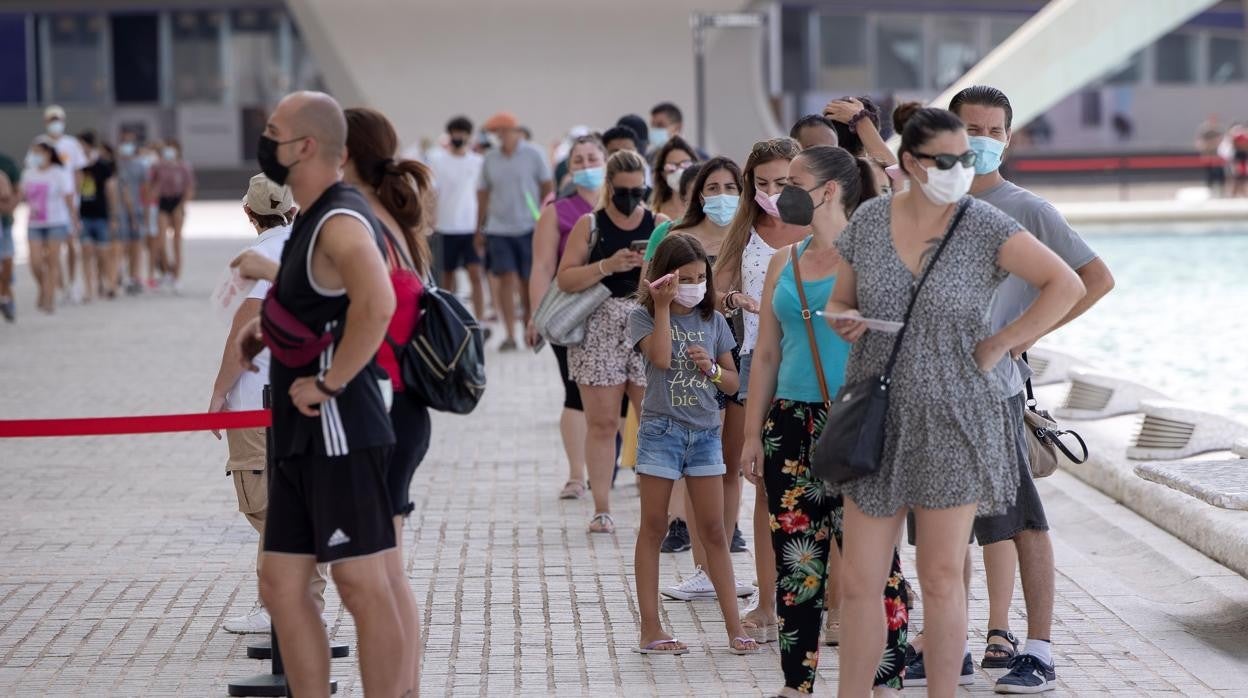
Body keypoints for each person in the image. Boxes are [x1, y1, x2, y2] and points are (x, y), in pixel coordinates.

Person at [825, 107, 1084, 698]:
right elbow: (841, 299)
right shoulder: (868, 220)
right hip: (878, 414)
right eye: (947, 160)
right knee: (862, 579)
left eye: (965, 158)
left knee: (941, 576)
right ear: (911, 163)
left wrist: (1004, 341)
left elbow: (1067, 283)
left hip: (955, 419)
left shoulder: (985, 224)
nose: (960, 169)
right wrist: (843, 320)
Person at [234, 91, 407, 697]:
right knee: (281, 587)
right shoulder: (309, 218)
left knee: (363, 586)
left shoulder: (338, 217)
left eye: (274, 130)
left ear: (305, 146)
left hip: (340, 428)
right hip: (296, 435)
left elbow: (377, 301)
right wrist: (267, 331)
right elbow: (322, 302)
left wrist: (331, 381)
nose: (265, 137)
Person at [946, 85, 1114, 694]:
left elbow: (1093, 279)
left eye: (994, 131)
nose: (983, 140)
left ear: (1009, 139)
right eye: (972, 128)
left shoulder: (1029, 209)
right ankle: (946, 646)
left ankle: (1038, 649)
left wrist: (1021, 336)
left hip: (995, 391)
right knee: (944, 524)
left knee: (1019, 519)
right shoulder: (926, 205)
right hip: (933, 395)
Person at [739, 145, 907, 697]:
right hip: (789, 423)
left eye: (793, 181)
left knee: (872, 564)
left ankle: (885, 674)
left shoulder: (877, 256)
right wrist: (750, 435)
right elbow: (766, 352)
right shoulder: (784, 262)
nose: (781, 192)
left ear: (828, 190)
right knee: (797, 558)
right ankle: (796, 683)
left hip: (856, 418)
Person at [628, 233, 758, 657]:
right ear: (662, 277)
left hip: (705, 434)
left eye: (700, 276)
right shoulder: (644, 317)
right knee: (653, 527)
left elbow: (734, 381)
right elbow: (661, 359)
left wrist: (713, 373)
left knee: (715, 530)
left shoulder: (715, 321)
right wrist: (663, 307)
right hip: (661, 432)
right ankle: (651, 628)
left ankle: (734, 628)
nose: (694, 284)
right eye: (684, 277)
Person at [209, 173, 329, 635]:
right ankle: (301, 602)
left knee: (268, 506)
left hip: (260, 402)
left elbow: (247, 330)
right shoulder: (311, 248)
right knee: (297, 502)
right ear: (295, 209)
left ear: (248, 213)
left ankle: (280, 603)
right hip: (310, 397)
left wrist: (218, 393)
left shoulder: (263, 257)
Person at [343, 106, 434, 694]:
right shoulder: (389, 219)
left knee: (374, 576)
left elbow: (371, 313)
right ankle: (404, 688)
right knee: (388, 571)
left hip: (382, 406)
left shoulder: (365, 222)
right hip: (399, 407)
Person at [638, 158, 753, 600]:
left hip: (735, 350)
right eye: (713, 186)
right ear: (698, 192)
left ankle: (719, 560)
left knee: (726, 464)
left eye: (731, 186)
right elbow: (649, 292)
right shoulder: (675, 236)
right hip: (684, 358)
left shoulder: (751, 236)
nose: (722, 195)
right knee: (696, 464)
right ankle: (701, 569)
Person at [712, 137, 808, 641]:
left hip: (814, 364)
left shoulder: (821, 224)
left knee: (824, 488)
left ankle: (831, 602)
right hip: (757, 360)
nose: (772, 192)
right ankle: (768, 603)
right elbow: (716, 287)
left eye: (784, 182)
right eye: (763, 182)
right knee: (767, 488)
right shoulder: (745, 229)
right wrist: (736, 299)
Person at [556, 150, 664, 533]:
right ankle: (602, 507)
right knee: (601, 422)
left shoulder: (659, 223)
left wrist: (646, 271)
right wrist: (608, 265)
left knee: (654, 420)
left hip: (647, 321)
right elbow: (565, 279)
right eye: (623, 191)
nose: (632, 198)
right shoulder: (590, 224)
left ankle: (658, 508)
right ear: (609, 187)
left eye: (639, 190)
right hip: (599, 326)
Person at [527, 134, 607, 500]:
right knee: (575, 393)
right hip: (570, 316)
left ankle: (612, 465)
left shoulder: (626, 207)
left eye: (593, 158)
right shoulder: (555, 213)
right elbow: (542, 267)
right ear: (569, 169)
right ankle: (577, 474)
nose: (587, 167)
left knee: (617, 399)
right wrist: (536, 316)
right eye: (579, 161)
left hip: (616, 313)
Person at [476, 111, 554, 351]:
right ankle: (510, 334)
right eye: (495, 132)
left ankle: (528, 329)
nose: (499, 136)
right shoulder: (489, 159)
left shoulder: (534, 154)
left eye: (502, 131)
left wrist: (545, 218)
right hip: (498, 229)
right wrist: (479, 226)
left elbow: (547, 186)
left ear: (515, 131)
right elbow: (483, 193)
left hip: (529, 227)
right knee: (505, 278)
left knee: (526, 282)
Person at [427, 115, 487, 323]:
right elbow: (432, 192)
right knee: (446, 278)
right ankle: (449, 320)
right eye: (455, 132)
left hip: (470, 228)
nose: (458, 136)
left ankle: (479, 320)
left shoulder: (478, 162)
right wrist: (429, 218)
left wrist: (482, 226)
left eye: (462, 133)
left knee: (475, 274)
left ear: (469, 136)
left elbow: (482, 195)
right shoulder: (437, 159)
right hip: (445, 227)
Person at [20, 138, 78, 314]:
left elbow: (69, 198)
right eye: (33, 152)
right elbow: (22, 196)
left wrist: (74, 220)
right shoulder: (28, 174)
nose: (36, 156)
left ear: (48, 154)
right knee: (35, 262)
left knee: (52, 261)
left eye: (39, 152)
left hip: (56, 221)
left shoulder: (59, 173)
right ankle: (43, 286)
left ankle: (49, 298)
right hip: (34, 222)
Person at [41, 106, 88, 303]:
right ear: (46, 122)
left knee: (70, 243)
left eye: (58, 119)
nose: (55, 123)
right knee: (51, 247)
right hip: (48, 203)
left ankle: (72, 282)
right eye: (52, 120)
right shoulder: (40, 143)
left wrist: (76, 196)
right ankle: (58, 284)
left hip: (68, 201)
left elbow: (78, 171)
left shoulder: (71, 144)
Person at [76, 132, 120, 301]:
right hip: (84, 215)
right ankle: (89, 289)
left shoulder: (102, 166)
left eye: (81, 145)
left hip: (101, 215)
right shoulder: (77, 167)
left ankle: (110, 284)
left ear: (89, 146)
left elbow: (111, 191)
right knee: (86, 254)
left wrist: (113, 215)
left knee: (104, 254)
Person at [147, 139, 195, 292]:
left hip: (177, 202)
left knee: (177, 241)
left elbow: (189, 188)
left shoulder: (184, 167)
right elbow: (151, 184)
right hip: (163, 201)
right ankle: (166, 270)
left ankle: (177, 277)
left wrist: (181, 206)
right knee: (160, 239)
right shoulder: (158, 166)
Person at [114, 131, 149, 295]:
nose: (127, 146)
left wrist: (145, 212)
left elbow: (145, 189)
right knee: (120, 245)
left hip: (137, 210)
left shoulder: (140, 165)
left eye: (130, 142)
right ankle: (118, 275)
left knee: (136, 244)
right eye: (124, 142)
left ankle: (135, 277)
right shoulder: (115, 166)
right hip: (119, 211)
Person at [649, 136, 700, 222]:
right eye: (671, 166)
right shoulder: (655, 214)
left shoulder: (704, 210)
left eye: (685, 164)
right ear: (662, 174)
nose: (680, 171)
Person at [0, 150, 18, 321]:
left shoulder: (4, 169)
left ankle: (6, 297)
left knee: (6, 264)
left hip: (3, 225)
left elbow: (9, 198)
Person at [1196, 115, 1226, 196]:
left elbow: (1222, 141)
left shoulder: (1219, 130)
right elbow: (1200, 142)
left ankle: (1221, 191)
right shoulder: (1205, 130)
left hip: (1218, 155)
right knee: (1209, 174)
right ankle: (1209, 190)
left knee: (1219, 173)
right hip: (1208, 155)